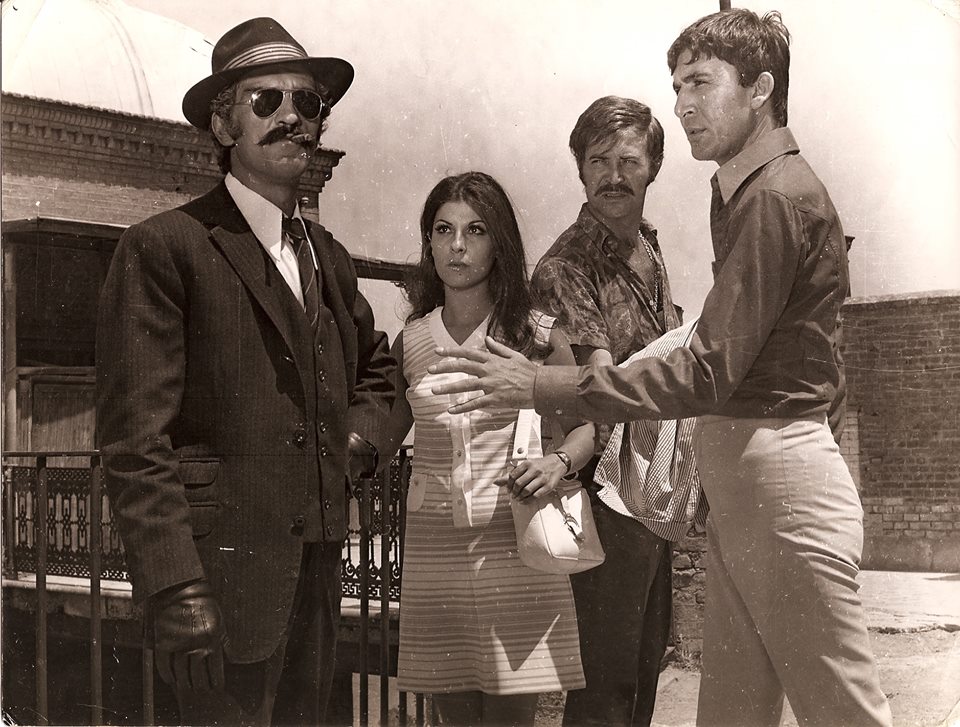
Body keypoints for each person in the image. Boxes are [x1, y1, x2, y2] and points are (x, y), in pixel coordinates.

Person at [428, 9, 893, 727]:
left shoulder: (771, 198)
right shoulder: (741, 197)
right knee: (725, 708)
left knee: (839, 711)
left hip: (770, 478)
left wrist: (540, 384)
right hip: (703, 485)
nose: (683, 104)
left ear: (760, 89)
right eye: (677, 86)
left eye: (700, 83)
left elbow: (706, 370)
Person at [96, 17, 395, 725]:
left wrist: (354, 443)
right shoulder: (166, 247)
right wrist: (174, 586)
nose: (293, 116)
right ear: (224, 124)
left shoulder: (327, 255)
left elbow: (382, 373)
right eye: (267, 101)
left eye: (308, 102)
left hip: (317, 586)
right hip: (217, 597)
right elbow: (135, 440)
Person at [377, 172, 593, 726]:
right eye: (443, 230)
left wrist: (557, 463)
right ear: (428, 242)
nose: (457, 245)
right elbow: (381, 434)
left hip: (514, 547)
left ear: (499, 243)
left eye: (475, 231)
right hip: (436, 555)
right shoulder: (412, 342)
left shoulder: (536, 334)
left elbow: (586, 430)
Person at [529, 96, 700, 727]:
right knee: (606, 684)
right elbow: (599, 385)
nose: (613, 176)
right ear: (579, 168)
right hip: (601, 495)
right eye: (598, 161)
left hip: (651, 486)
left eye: (628, 161)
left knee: (643, 668)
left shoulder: (649, 248)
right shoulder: (565, 266)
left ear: (653, 166)